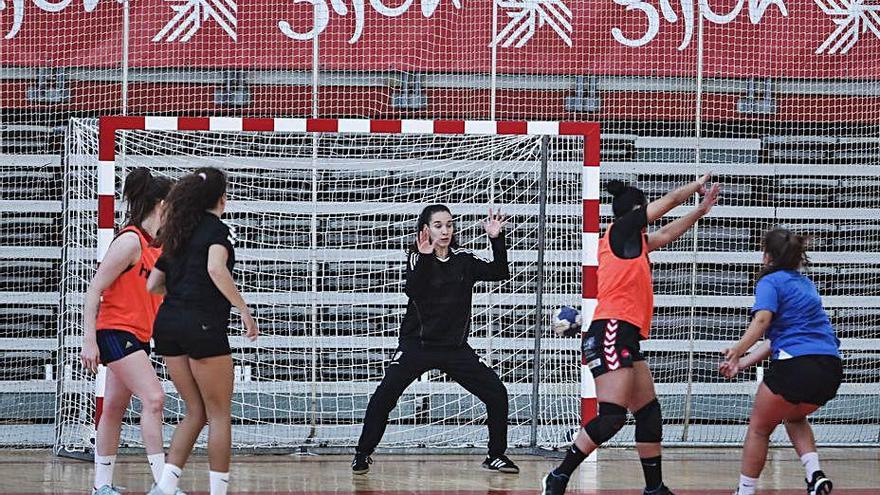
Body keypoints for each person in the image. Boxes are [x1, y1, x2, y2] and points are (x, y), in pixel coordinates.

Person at [542, 175, 721, 495]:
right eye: (644, 211)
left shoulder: (633, 242)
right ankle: (558, 476)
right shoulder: (620, 230)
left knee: (649, 415)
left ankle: (655, 489)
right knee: (612, 418)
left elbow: (667, 232)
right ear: (636, 211)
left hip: (625, 335)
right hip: (611, 331)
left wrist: (700, 210)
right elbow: (665, 206)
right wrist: (695, 186)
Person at [352, 205, 519, 475]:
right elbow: (414, 290)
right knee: (384, 397)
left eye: (449, 225)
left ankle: (496, 455)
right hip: (417, 346)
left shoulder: (464, 260)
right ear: (425, 229)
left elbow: (499, 272)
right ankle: (363, 453)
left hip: (454, 348)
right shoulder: (417, 257)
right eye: (439, 225)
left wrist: (496, 238)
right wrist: (427, 257)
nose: (445, 230)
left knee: (496, 393)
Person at [146, 167, 258, 495]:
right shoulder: (218, 230)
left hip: (168, 325)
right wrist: (243, 309)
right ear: (222, 198)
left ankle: (165, 488)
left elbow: (153, 285)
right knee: (220, 414)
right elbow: (214, 267)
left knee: (195, 411)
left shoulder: (178, 232)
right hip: (202, 325)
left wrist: (182, 295)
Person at [720, 228, 841, 495]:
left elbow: (762, 320)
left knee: (759, 429)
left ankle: (745, 491)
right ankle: (814, 474)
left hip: (797, 366)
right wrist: (744, 363)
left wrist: (737, 350)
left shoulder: (770, 282)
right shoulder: (805, 284)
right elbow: (777, 340)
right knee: (794, 416)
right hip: (830, 368)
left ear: (767, 257)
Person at [80, 168, 172, 495]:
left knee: (115, 408)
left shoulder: (159, 247)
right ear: (162, 205)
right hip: (115, 333)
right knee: (154, 398)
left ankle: (101, 486)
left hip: (137, 337)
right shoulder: (130, 240)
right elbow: (94, 289)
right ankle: (164, 485)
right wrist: (89, 340)